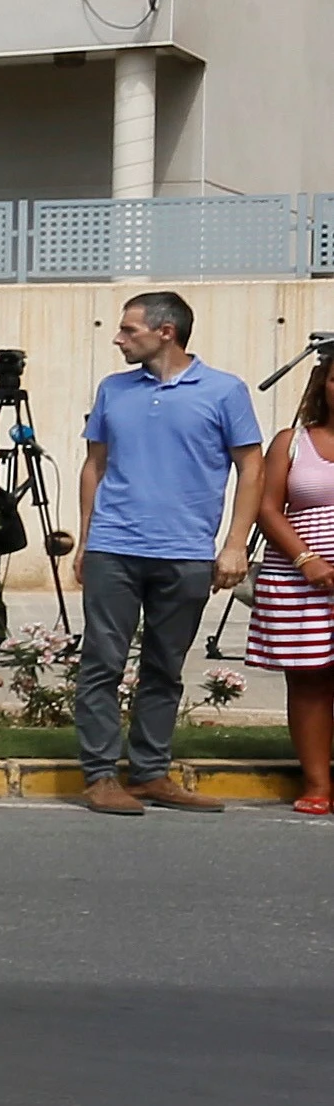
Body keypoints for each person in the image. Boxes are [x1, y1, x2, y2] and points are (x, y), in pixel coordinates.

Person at [70, 290, 258, 818]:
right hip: (115, 548)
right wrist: (86, 539)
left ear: (165, 331)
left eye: (129, 330)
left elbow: (251, 467)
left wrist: (235, 543)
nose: (118, 338)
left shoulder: (224, 391)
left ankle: (150, 773)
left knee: (164, 667)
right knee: (102, 663)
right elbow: (94, 465)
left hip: (187, 553)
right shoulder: (114, 389)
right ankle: (101, 775)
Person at [235, 349, 334, 815]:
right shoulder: (291, 442)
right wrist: (306, 560)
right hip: (302, 578)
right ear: (323, 385)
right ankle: (317, 784)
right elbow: (268, 507)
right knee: (310, 682)